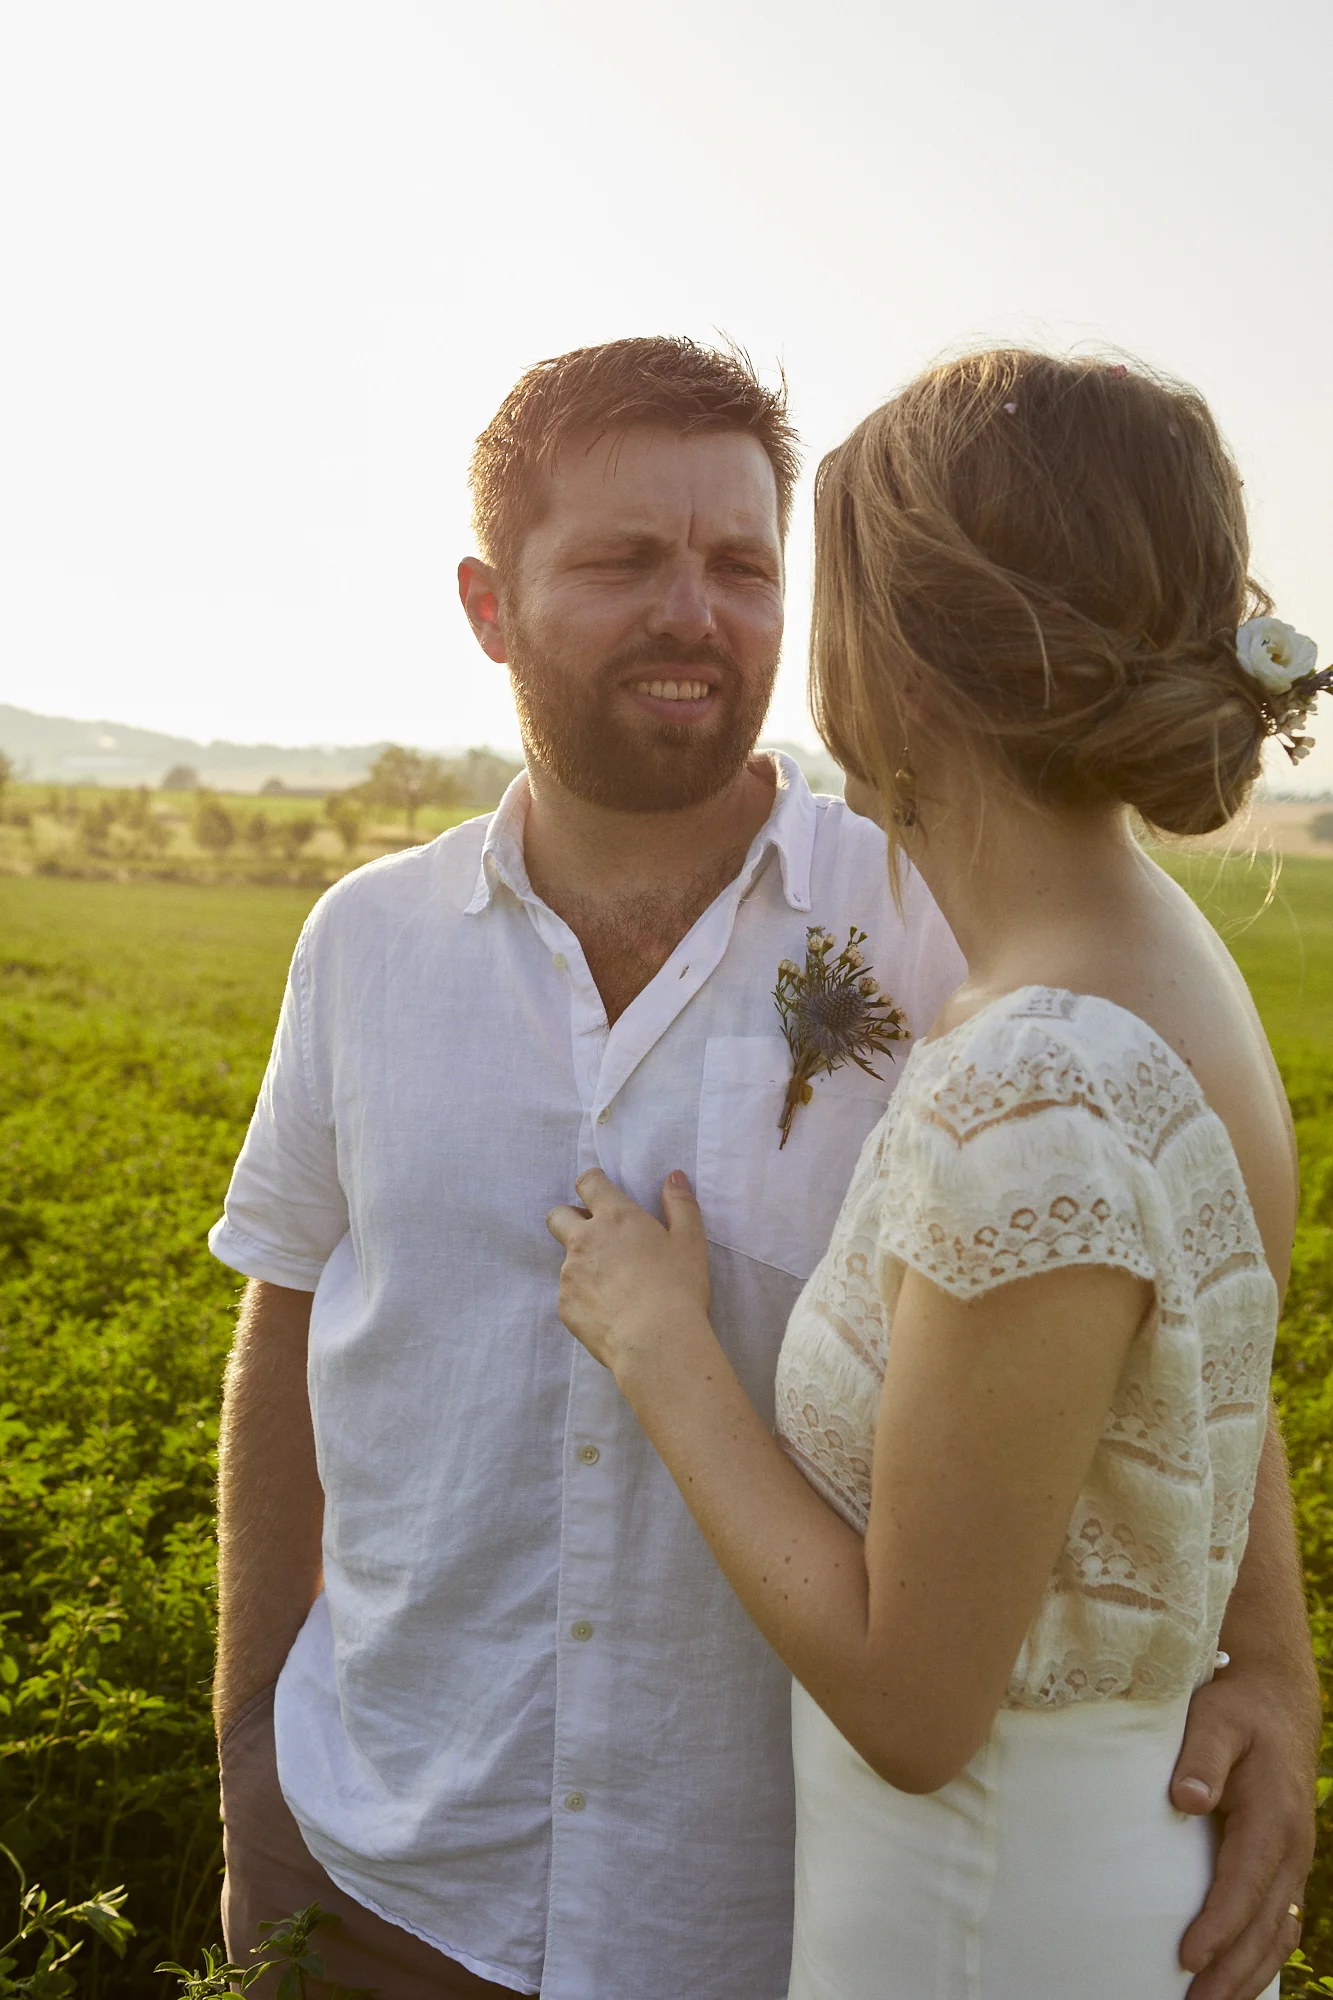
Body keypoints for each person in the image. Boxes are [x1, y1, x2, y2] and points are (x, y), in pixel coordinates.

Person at [209, 338, 1318, 2000]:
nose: (693, 611)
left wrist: (1276, 1660)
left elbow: (1137, 1277)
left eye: (740, 564)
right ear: (487, 603)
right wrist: (248, 1765)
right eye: (623, 561)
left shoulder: (956, 916)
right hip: (392, 1881)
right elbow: (288, 1326)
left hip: (769, 1920)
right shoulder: (362, 946)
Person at [546, 349, 1324, 1998]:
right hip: (1089, 1882)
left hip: (987, 1923)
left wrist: (665, 1350)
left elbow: (914, 1706)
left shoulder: (1028, 1078)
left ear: (893, 664)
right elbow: (1182, 1382)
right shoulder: (1157, 956)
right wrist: (1270, 1655)